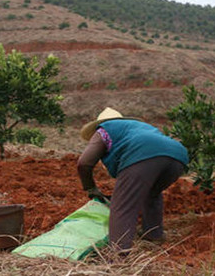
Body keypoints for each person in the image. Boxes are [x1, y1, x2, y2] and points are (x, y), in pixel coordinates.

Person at [77, 107, 189, 254]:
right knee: (152, 193)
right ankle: (153, 236)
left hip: (143, 153)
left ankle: (118, 256)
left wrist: (90, 188)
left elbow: (84, 163)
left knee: (123, 205)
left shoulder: (104, 129)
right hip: (178, 157)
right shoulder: (137, 128)